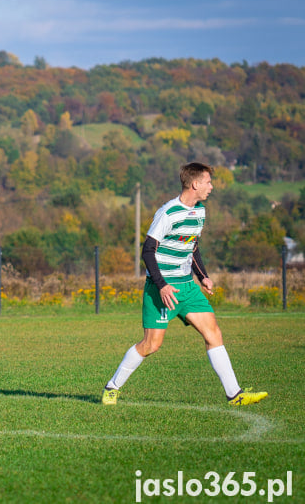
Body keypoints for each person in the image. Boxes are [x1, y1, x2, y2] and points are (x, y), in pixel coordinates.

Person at [102, 162, 268, 407]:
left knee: (213, 333)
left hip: (187, 288)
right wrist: (161, 285)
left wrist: (203, 277)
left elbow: (193, 246)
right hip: (162, 290)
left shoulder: (199, 211)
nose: (211, 187)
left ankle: (235, 394)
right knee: (151, 345)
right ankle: (112, 388)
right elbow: (148, 251)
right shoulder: (168, 213)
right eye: (208, 182)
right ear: (195, 184)